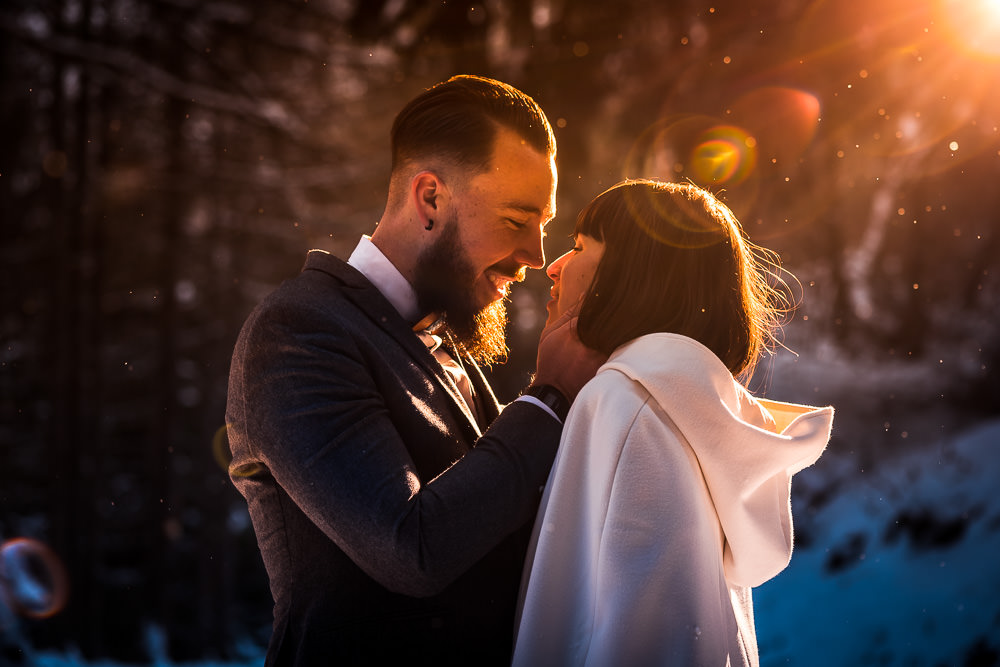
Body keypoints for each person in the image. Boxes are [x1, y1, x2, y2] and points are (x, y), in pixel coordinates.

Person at [225, 75, 604, 665]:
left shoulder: (443, 337)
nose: (536, 255)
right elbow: (412, 548)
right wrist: (549, 397)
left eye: (544, 225)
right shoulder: (298, 330)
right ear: (430, 198)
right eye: (516, 219)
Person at [512, 179, 835, 666]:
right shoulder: (686, 409)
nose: (554, 266)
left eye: (579, 247)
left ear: (632, 276)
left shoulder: (629, 405)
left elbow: (648, 640)